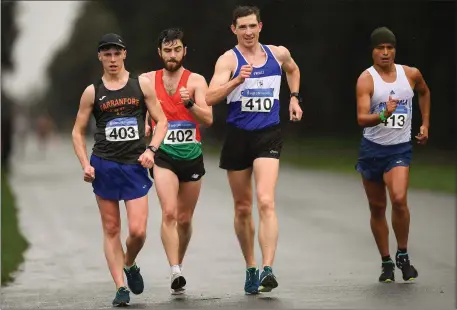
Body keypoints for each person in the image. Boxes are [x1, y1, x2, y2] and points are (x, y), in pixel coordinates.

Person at [205, 6, 303, 294]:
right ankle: (250, 266)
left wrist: (294, 98)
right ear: (233, 30)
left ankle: (268, 269)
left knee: (265, 201)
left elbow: (294, 70)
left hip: (267, 135)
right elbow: (209, 97)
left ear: (260, 26)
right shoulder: (228, 60)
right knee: (243, 207)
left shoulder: (278, 54)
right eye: (242, 27)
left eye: (252, 26)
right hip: (237, 138)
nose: (248, 32)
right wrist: (236, 80)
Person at [71, 33, 168, 306]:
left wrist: (152, 150)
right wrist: (86, 164)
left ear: (124, 54)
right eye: (107, 54)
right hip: (104, 165)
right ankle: (120, 287)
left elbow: (161, 122)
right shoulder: (93, 91)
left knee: (137, 231)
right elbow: (77, 133)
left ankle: (129, 263)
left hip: (135, 164)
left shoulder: (142, 86)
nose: (112, 59)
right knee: (112, 228)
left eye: (117, 53)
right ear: (100, 57)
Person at [355, 27, 430, 283]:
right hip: (372, 151)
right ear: (373, 52)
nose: (385, 53)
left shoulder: (410, 74)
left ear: (395, 50)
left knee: (398, 198)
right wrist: (384, 114)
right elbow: (362, 119)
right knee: (377, 207)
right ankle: (386, 262)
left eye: (390, 48)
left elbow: (424, 92)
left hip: (399, 148)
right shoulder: (366, 80)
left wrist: (425, 124)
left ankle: (403, 254)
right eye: (380, 48)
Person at [141, 27, 213, 295]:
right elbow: (136, 105)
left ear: (184, 51)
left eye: (177, 49)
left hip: (192, 156)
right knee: (169, 212)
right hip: (164, 156)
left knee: (184, 218)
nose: (172, 55)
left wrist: (191, 105)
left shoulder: (196, 81)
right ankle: (175, 271)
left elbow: (208, 119)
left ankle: (178, 263)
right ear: (159, 53)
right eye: (167, 50)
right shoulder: (148, 80)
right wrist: (147, 122)